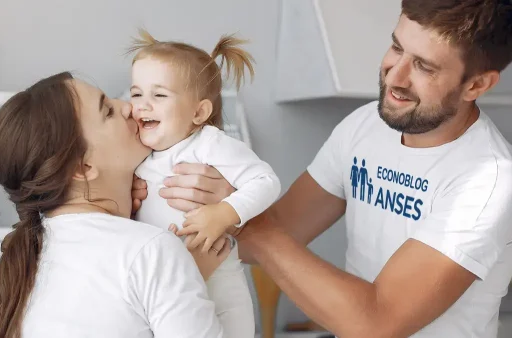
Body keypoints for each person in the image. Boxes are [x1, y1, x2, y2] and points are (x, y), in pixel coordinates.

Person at [132, 1, 512, 337]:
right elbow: (262, 238)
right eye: (396, 47)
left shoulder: (486, 181)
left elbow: (376, 324)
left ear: (476, 84)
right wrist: (164, 199)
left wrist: (238, 211)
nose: (394, 77)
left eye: (424, 67)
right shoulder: (366, 125)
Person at [0, 71, 231, 338]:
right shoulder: (150, 252)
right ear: (83, 167)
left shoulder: (31, 258)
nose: (127, 107)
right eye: (108, 111)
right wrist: (186, 276)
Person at [128, 29, 281, 338]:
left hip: (219, 280)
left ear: (199, 112)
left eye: (158, 95)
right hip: (167, 286)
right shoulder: (138, 149)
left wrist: (224, 213)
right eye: (135, 94)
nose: (143, 105)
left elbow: (266, 181)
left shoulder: (208, 143)